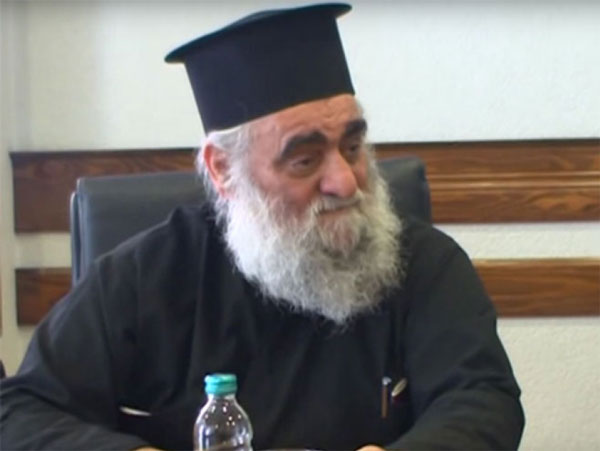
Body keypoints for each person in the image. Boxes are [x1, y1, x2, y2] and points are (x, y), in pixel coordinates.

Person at [1, 3, 524, 450]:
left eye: (352, 146)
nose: (345, 181)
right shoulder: (145, 277)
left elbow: (483, 399)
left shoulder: (425, 264)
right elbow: (20, 413)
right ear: (224, 171)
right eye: (305, 160)